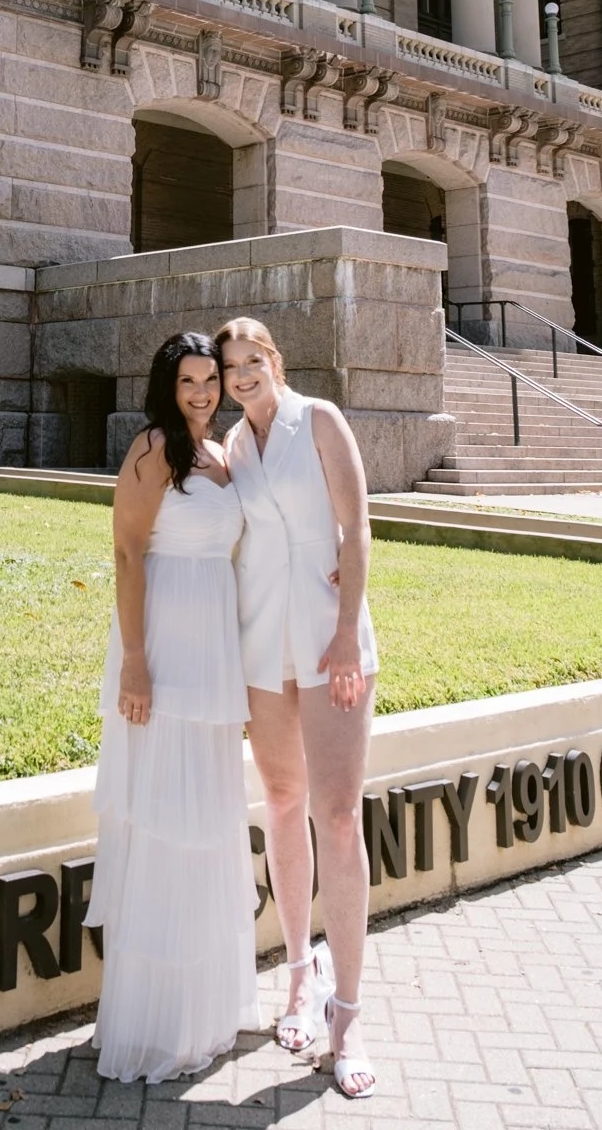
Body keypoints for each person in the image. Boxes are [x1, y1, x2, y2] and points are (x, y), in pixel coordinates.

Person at [85, 331, 259, 1083]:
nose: (201, 392)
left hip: (214, 655)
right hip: (160, 650)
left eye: (208, 379)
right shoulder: (152, 447)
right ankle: (154, 1022)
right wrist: (134, 661)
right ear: (167, 386)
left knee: (209, 822)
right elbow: (128, 553)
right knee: (165, 822)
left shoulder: (223, 453)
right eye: (188, 381)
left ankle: (205, 1011)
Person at [216, 316, 379, 1101]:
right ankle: (297, 979)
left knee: (336, 817)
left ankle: (346, 1016)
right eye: (230, 367)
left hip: (326, 643)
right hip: (261, 650)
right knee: (282, 803)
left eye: (253, 360)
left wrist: (346, 632)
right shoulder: (233, 446)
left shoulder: (318, 419)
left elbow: (357, 526)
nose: (242, 375)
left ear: (275, 361)